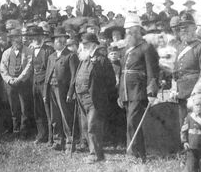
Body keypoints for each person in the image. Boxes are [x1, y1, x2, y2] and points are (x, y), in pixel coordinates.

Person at [117, 13, 160, 163]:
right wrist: (120, 94)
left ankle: (135, 154)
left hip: (139, 91)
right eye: (127, 30)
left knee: (133, 121)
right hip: (127, 92)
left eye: (132, 30)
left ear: (139, 31)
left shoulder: (146, 48)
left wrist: (152, 91)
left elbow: (152, 71)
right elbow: (122, 73)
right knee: (131, 122)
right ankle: (137, 154)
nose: (129, 33)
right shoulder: (125, 50)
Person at [73, 33, 116, 163]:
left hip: (95, 99)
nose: (83, 46)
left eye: (85, 44)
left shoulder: (102, 60)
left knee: (93, 126)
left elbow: (111, 81)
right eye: (82, 44)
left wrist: (101, 95)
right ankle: (93, 152)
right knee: (85, 126)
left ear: (93, 45)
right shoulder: (83, 58)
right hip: (82, 97)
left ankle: (96, 154)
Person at [43, 29, 79, 152]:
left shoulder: (71, 55)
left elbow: (74, 76)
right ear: (53, 42)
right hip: (51, 89)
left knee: (65, 116)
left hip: (63, 90)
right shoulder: (51, 56)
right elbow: (47, 75)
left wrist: (71, 92)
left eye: (62, 39)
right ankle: (57, 141)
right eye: (57, 39)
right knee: (55, 116)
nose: (59, 41)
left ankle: (70, 143)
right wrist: (45, 92)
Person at [173, 15, 201, 126]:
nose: (184, 30)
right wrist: (174, 88)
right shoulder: (180, 48)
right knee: (183, 123)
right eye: (181, 27)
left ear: (194, 28)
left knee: (197, 125)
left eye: (187, 26)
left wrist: (197, 92)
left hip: (195, 92)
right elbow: (175, 71)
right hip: (181, 91)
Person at [19, 26, 54, 144]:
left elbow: (51, 68)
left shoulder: (49, 50)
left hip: (45, 83)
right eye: (33, 37)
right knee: (38, 110)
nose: (35, 39)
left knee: (48, 110)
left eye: (37, 36)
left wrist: (47, 84)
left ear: (42, 36)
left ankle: (52, 137)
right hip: (35, 82)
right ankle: (41, 135)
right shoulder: (30, 49)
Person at [0, 29, 31, 136]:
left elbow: (29, 67)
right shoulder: (6, 52)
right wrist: (9, 79)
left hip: (23, 83)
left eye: (18, 37)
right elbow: (3, 68)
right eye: (14, 38)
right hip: (10, 83)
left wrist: (19, 79)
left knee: (24, 107)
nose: (16, 40)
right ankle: (15, 129)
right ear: (11, 40)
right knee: (13, 106)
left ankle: (24, 130)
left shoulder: (28, 51)